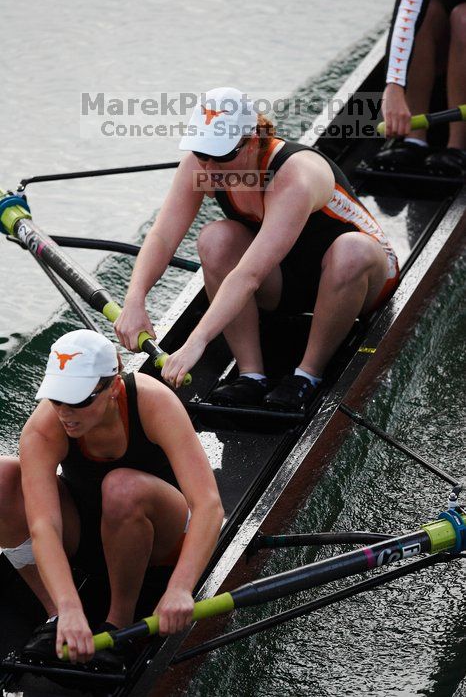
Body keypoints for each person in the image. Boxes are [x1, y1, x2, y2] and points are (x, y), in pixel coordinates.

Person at [115, 87, 399, 412]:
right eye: (201, 153)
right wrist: (134, 300)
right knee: (215, 239)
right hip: (285, 278)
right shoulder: (202, 167)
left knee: (351, 251)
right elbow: (163, 237)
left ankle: (308, 374)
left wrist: (197, 341)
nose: (208, 169)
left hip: (363, 278)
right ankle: (251, 375)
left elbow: (248, 276)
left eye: (221, 155)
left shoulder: (293, 176)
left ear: (251, 141)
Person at [0, 329, 223, 666]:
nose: (65, 411)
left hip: (163, 540)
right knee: (2, 478)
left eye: (78, 400)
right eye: (57, 398)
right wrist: (70, 606)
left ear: (113, 386)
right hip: (89, 536)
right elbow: (43, 527)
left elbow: (209, 506)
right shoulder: (44, 427)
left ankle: (120, 623)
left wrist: (180, 588)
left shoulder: (152, 401)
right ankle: (58, 618)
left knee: (121, 487)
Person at [375, 0, 466, 176]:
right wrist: (393, 86)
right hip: (442, 45)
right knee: (425, 13)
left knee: (463, 18)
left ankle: (458, 147)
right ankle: (414, 139)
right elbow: (408, 12)